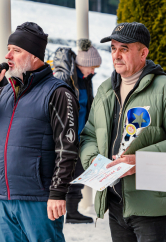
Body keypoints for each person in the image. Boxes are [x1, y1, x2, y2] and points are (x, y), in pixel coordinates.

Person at [0, 22, 79, 242]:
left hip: (39, 197)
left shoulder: (57, 92)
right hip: (6, 195)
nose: (8, 55)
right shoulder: (6, 91)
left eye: (16, 50)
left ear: (35, 56)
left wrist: (58, 193)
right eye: (8, 49)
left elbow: (68, 147)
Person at [80, 22, 166, 242]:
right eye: (113, 48)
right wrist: (95, 161)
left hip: (152, 205)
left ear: (143, 53)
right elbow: (89, 135)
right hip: (115, 202)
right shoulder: (105, 89)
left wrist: (139, 161)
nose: (116, 55)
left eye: (124, 49)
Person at [53, 39, 101, 224]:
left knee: (78, 173)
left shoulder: (85, 80)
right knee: (64, 172)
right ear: (84, 64)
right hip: (65, 136)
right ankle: (61, 211)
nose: (94, 71)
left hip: (80, 136)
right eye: (93, 67)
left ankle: (72, 211)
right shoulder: (65, 79)